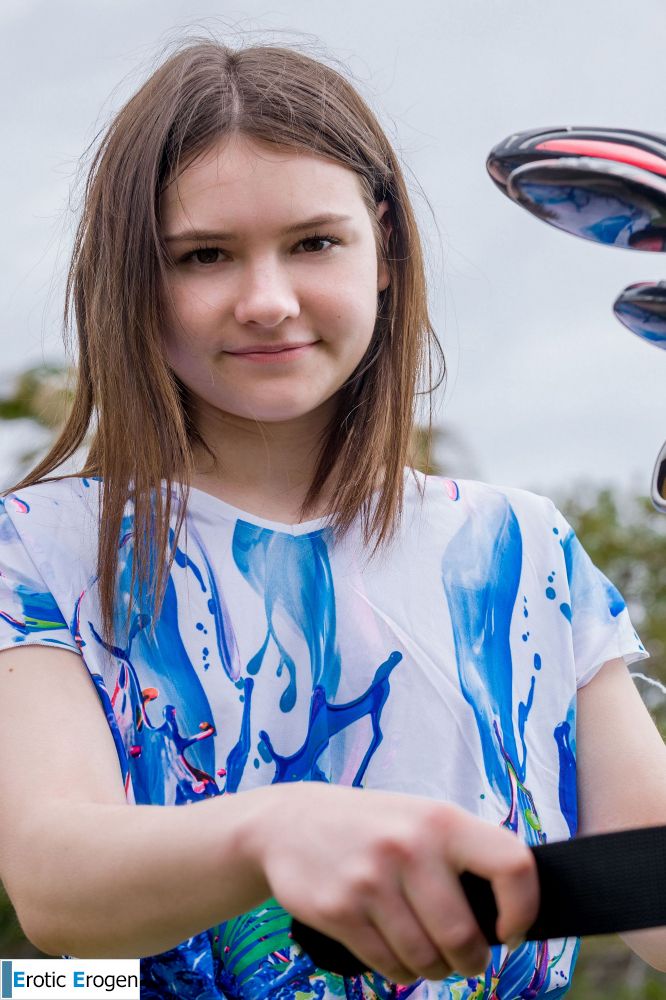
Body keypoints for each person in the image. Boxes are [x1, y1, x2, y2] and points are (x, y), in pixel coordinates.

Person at [0, 36, 665, 1000]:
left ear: (384, 249)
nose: (267, 302)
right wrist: (274, 830)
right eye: (204, 256)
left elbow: (650, 898)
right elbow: (59, 885)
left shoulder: (519, 547)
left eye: (314, 242)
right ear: (134, 279)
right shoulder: (40, 545)